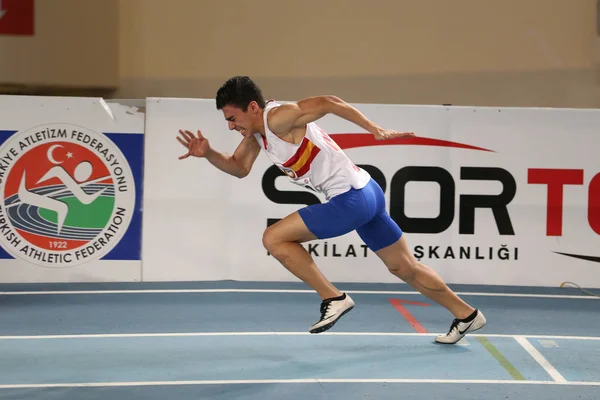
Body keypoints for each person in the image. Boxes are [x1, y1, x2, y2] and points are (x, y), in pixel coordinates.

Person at [177, 76, 486, 344]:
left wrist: (373, 128)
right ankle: (466, 314)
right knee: (404, 268)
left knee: (273, 239)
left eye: (233, 118)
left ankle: (333, 298)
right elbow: (239, 167)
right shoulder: (258, 135)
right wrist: (207, 154)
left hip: (351, 199)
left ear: (253, 108)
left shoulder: (277, 118)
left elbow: (328, 101)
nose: (231, 126)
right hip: (367, 193)